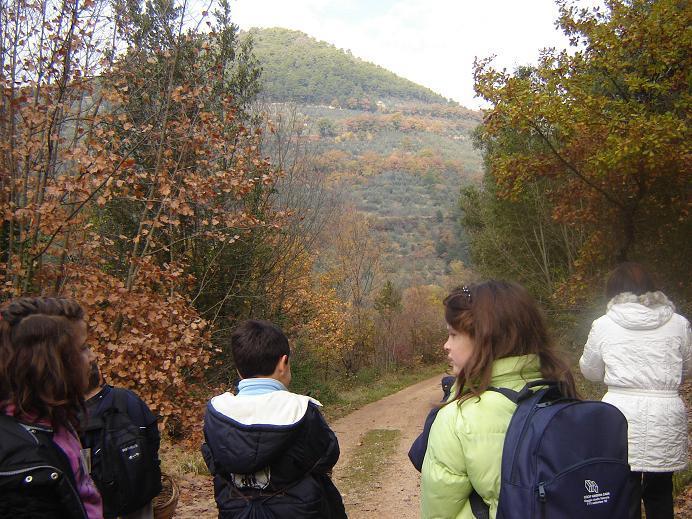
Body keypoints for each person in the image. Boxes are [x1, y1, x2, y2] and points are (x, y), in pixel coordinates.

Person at [420, 281, 577, 518]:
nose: (446, 345)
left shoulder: (459, 417)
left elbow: (440, 512)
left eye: (453, 334)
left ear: (484, 339)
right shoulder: (562, 391)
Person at [202, 319, 346, 518]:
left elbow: (215, 463)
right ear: (283, 363)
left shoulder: (217, 413)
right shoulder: (301, 411)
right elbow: (328, 456)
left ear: (238, 368)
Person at [580, 262, 690, 519]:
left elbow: (590, 371)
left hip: (619, 416)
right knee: (660, 492)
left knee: (622, 491)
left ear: (613, 292)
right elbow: (687, 366)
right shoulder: (678, 324)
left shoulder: (603, 324)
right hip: (665, 414)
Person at [0, 297, 103, 519]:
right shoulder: (21, 461)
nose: (92, 357)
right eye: (83, 348)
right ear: (53, 364)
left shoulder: (56, 422)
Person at [80, 359, 162, 519]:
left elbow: (83, 464)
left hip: (103, 498)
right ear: (100, 375)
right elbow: (152, 435)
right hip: (141, 487)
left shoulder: (77, 416)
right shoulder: (126, 397)